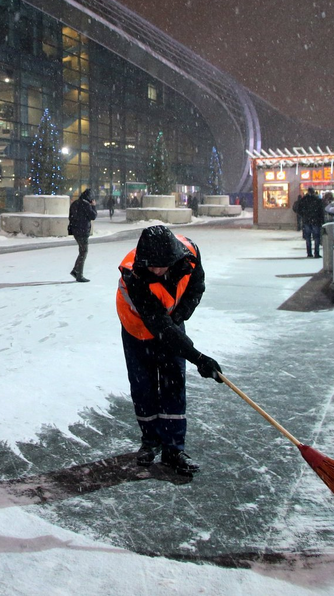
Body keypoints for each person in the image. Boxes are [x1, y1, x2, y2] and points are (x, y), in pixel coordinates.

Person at [116, 225, 222, 475]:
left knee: (173, 382)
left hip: (169, 323)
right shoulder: (134, 274)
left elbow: (196, 289)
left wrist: (180, 316)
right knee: (143, 387)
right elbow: (157, 323)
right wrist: (198, 358)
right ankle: (150, 441)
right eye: (150, 265)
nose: (155, 270)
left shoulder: (190, 254)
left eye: (160, 265)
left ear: (173, 258)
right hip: (137, 329)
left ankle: (174, 449)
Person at [67, 189, 97, 282]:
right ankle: (78, 274)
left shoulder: (75, 203)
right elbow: (93, 216)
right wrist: (94, 206)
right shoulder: (86, 205)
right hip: (82, 231)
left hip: (75, 230)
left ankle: (76, 271)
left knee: (82, 251)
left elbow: (70, 217)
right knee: (83, 252)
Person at [297, 187, 325, 258]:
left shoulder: (304, 200)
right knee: (316, 237)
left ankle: (309, 253)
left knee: (308, 237)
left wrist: (303, 215)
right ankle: (316, 252)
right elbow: (321, 211)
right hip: (316, 220)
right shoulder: (318, 200)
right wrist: (322, 220)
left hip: (307, 220)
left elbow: (298, 209)